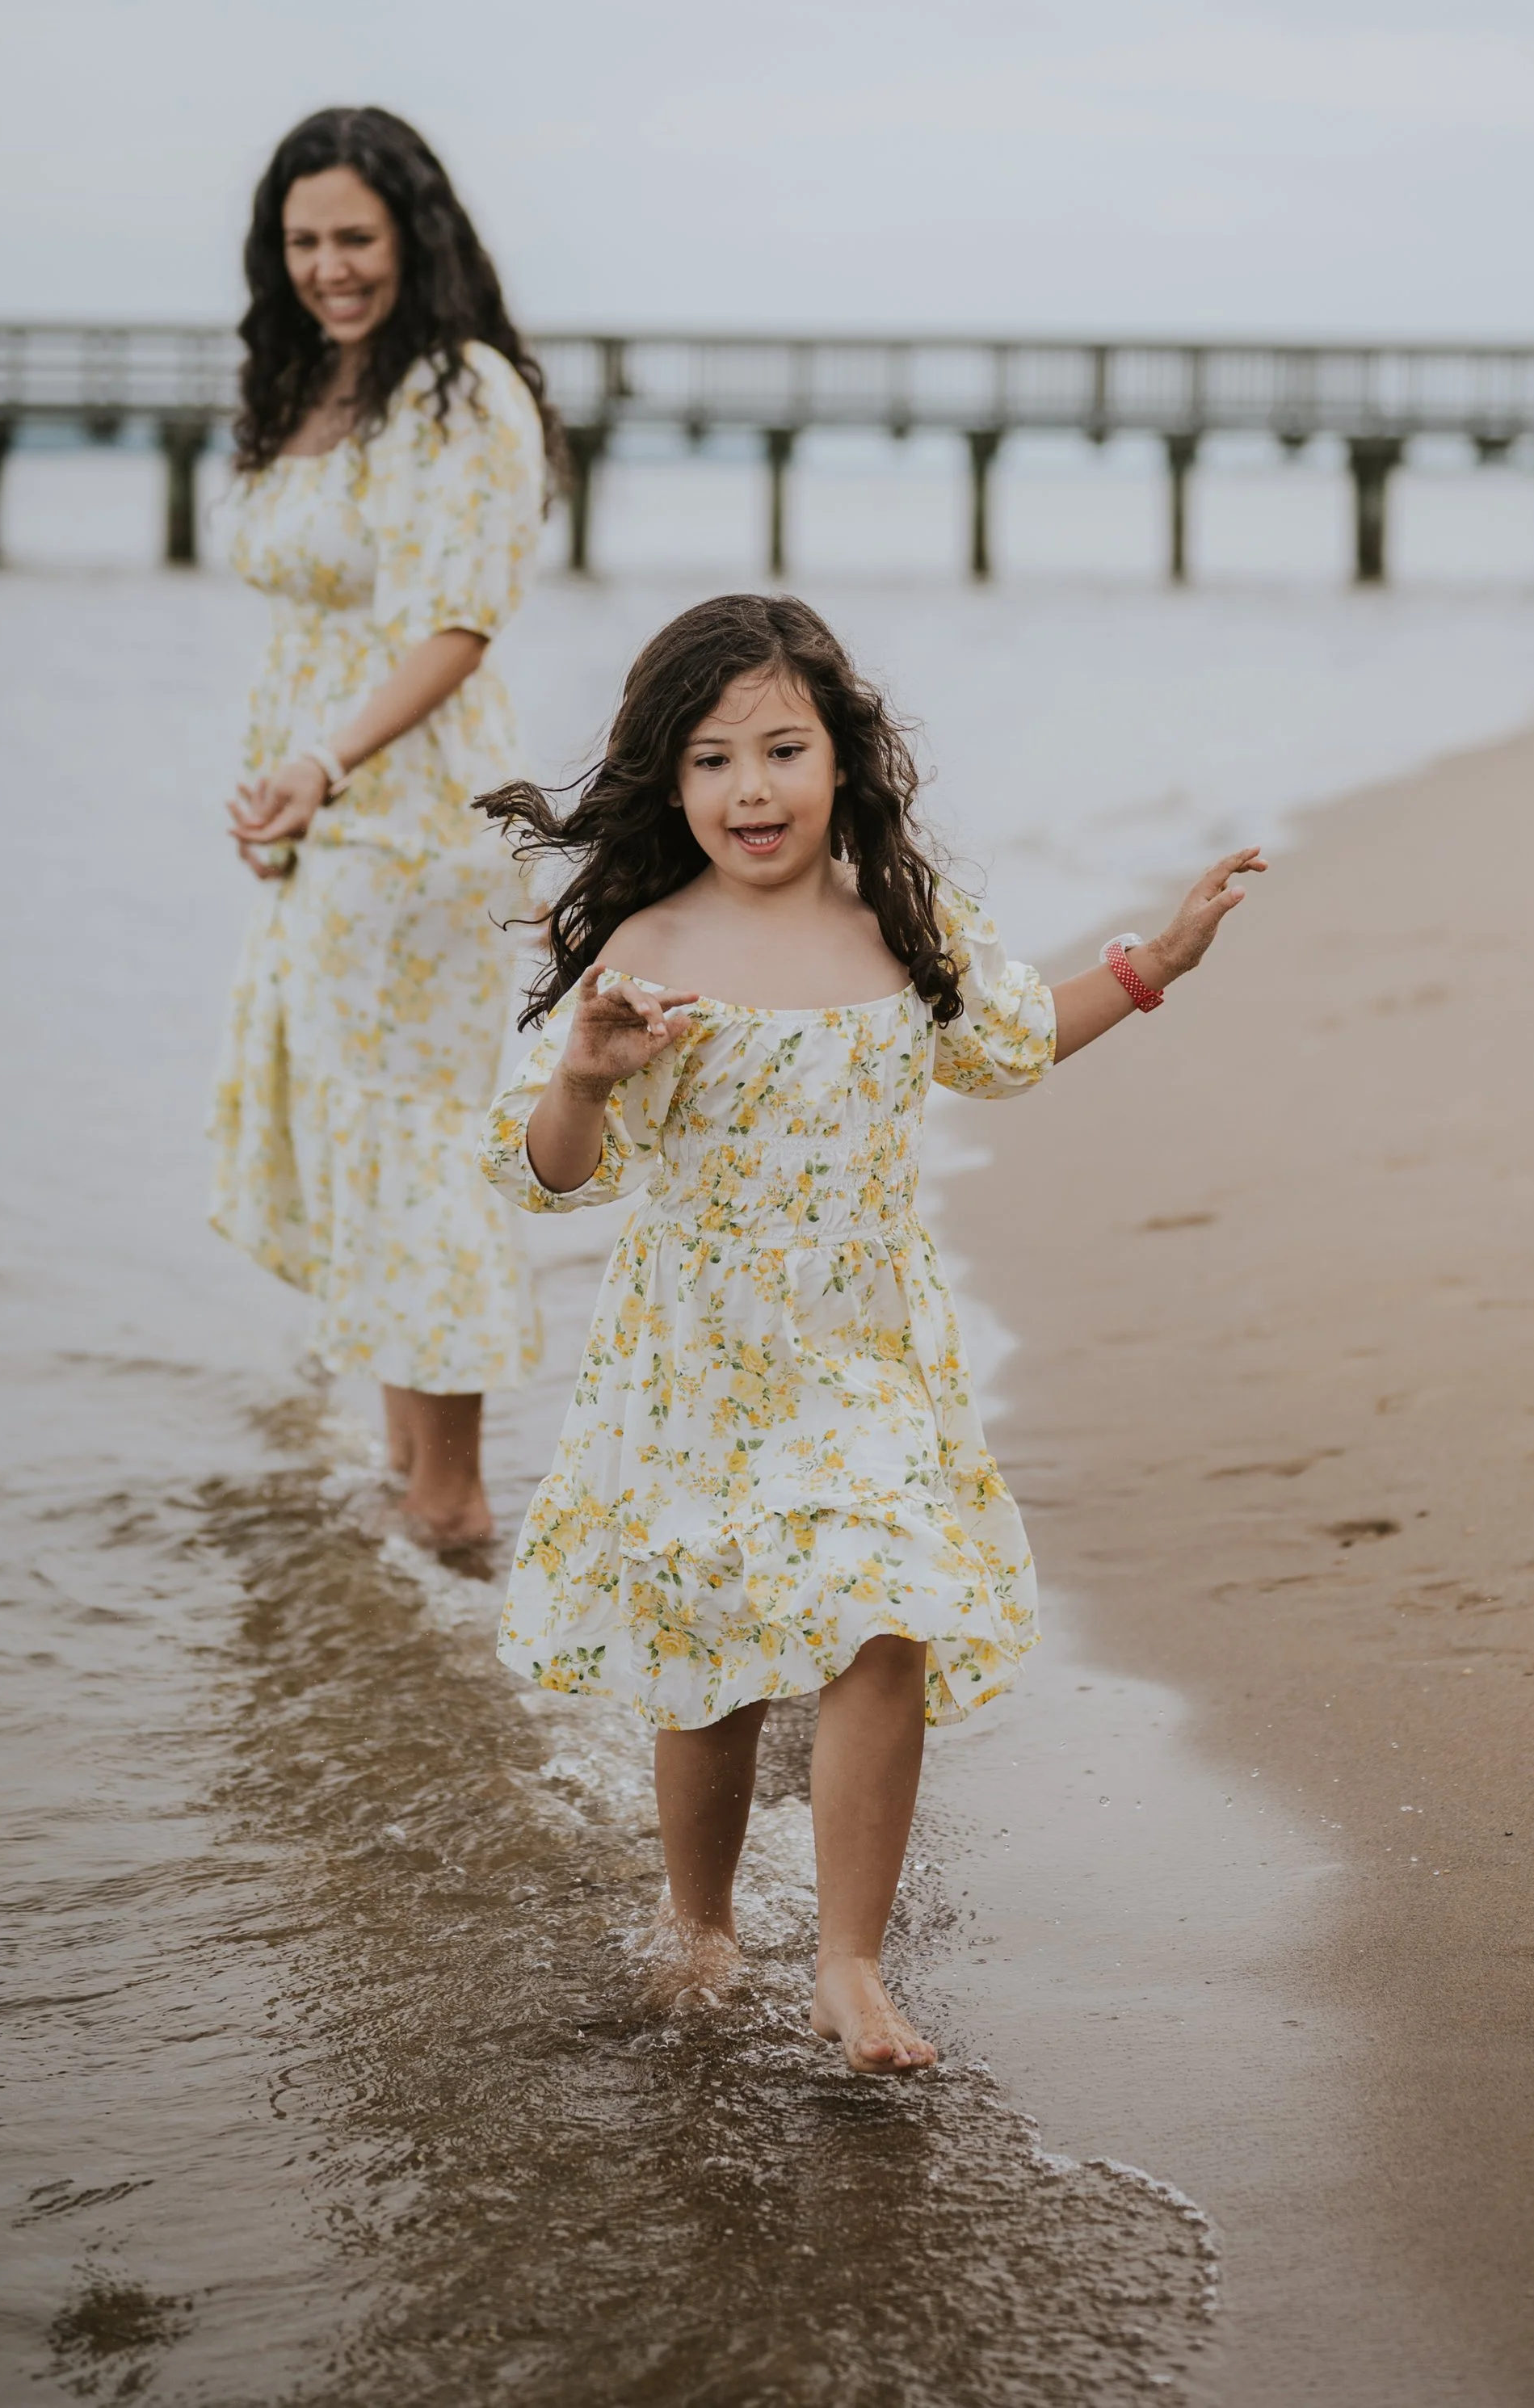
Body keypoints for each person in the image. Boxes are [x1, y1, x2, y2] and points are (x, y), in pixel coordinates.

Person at [474, 594, 1262, 2071]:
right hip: (696, 1363)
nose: (751, 788)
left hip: (868, 1357)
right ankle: (700, 1928)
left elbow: (1012, 1043)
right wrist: (583, 1074)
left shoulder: (904, 918)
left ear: (844, 756)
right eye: (712, 759)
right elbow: (541, 1172)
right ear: (670, 779)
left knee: (883, 1607)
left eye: (783, 747)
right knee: (707, 1664)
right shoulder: (645, 946)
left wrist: (1160, 961)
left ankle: (847, 1964)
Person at [210, 106, 560, 1546]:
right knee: (365, 1134)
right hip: (324, 827)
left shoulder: (460, 393)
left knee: (419, 1144)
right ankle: (412, 1478)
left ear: (417, 234)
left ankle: (454, 1496)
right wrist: (289, 788)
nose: (330, 266)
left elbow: (457, 624)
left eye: (355, 235)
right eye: (303, 240)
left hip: (415, 828)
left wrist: (322, 762)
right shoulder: (318, 380)